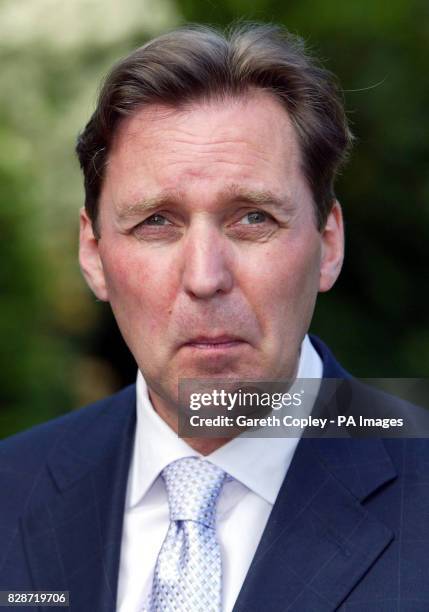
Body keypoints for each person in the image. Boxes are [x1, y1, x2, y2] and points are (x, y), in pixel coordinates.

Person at [1, 23, 428, 612]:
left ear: (327, 244)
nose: (205, 277)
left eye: (253, 218)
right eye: (156, 222)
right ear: (94, 255)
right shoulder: (10, 488)